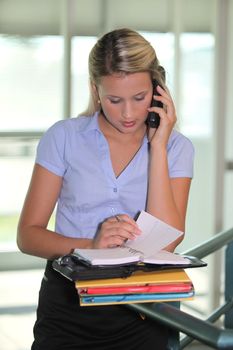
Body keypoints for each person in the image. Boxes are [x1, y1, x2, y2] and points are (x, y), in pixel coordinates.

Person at [17, 28, 194, 350]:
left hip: (145, 309)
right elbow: (28, 235)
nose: (128, 113)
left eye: (139, 98)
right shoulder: (64, 137)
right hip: (68, 306)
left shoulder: (177, 148)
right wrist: (92, 248)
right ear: (95, 90)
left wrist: (158, 147)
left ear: (157, 91)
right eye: (114, 100)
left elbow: (167, 241)